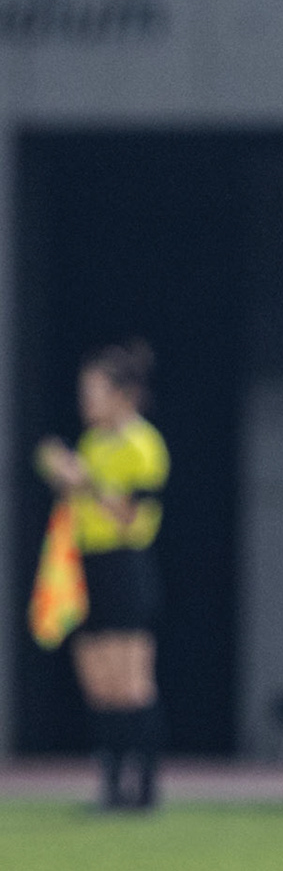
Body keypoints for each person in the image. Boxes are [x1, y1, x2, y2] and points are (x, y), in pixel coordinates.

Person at [33, 341, 169, 810]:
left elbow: (131, 514)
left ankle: (145, 788)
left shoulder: (143, 444)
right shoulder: (92, 443)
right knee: (98, 683)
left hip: (126, 564)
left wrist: (83, 480)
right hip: (86, 564)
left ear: (123, 396)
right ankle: (111, 786)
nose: (86, 402)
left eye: (94, 392)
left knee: (131, 682)